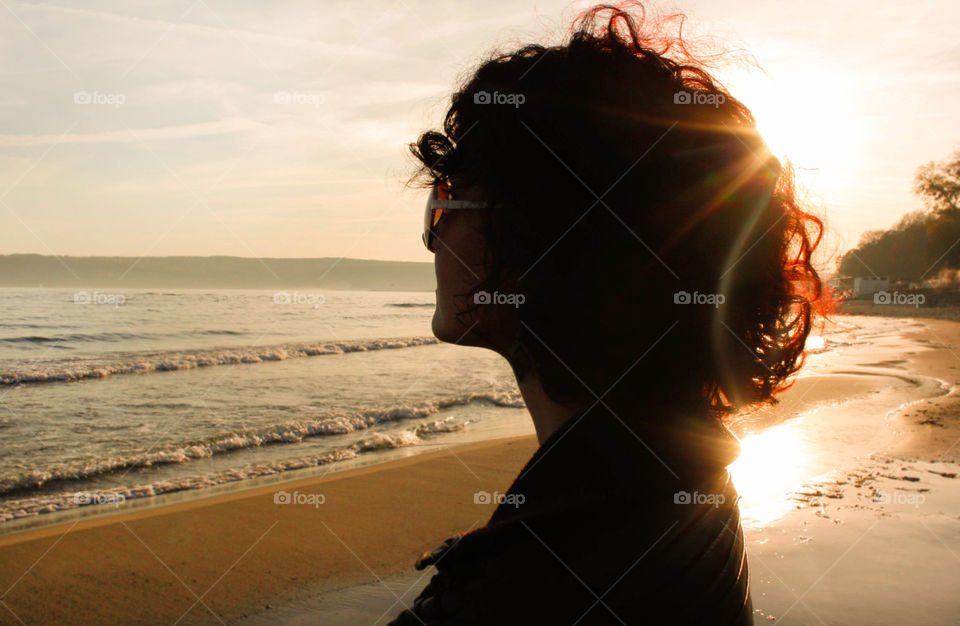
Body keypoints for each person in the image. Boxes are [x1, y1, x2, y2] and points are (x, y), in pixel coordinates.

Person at [392, 3, 824, 624]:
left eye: (445, 200)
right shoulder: (686, 478)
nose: (433, 238)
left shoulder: (533, 584)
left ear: (540, 232)